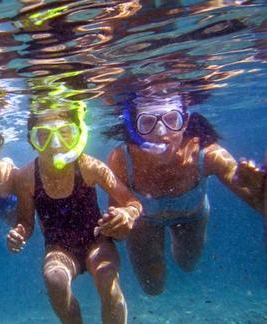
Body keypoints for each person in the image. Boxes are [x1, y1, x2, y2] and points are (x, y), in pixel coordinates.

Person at [104, 93, 263, 296]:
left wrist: (259, 189)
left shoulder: (208, 155)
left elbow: (258, 203)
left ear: (185, 122)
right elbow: (117, 231)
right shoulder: (121, 160)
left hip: (191, 215)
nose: (161, 132)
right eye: (147, 123)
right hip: (144, 221)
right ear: (135, 128)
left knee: (187, 263)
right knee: (153, 287)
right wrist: (119, 222)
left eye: (172, 120)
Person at [7, 103, 142, 324]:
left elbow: (131, 201)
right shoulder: (26, 177)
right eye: (44, 137)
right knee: (54, 279)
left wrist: (127, 214)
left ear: (78, 135)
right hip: (58, 248)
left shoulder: (89, 167)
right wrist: (19, 232)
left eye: (65, 133)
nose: (56, 145)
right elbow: (25, 221)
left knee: (107, 278)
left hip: (97, 241)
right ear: (32, 142)